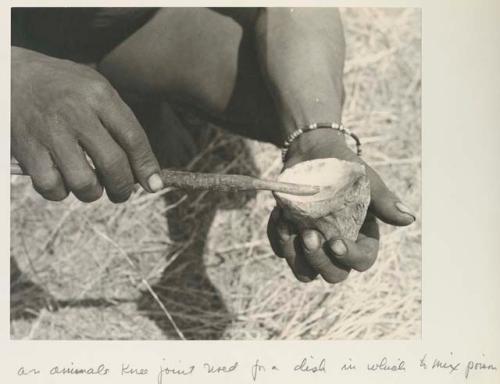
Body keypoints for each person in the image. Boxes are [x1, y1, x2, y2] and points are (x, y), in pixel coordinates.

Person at [11, 7, 415, 285]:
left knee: (295, 91)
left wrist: (317, 137)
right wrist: (16, 75)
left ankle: (136, 92)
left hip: (131, 25)